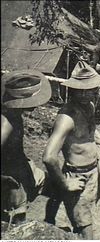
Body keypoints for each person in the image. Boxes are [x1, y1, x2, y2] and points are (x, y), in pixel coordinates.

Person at [43, 64, 100, 239]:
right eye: (81, 90)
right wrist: (66, 183)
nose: (86, 94)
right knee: (86, 231)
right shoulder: (66, 118)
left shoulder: (89, 106)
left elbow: (91, 131)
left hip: (92, 172)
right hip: (76, 176)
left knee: (78, 213)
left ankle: (49, 221)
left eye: (90, 89)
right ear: (72, 89)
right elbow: (49, 157)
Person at [1, 70, 52, 224]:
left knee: (56, 187)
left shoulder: (15, 116)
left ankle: (50, 221)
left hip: (20, 166)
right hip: (10, 176)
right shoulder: (7, 123)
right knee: (17, 218)